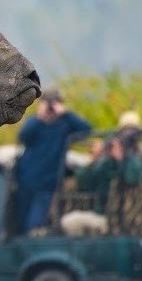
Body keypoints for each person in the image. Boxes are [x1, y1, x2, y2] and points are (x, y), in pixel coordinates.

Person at [15, 87, 91, 234]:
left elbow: (86, 130)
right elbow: (23, 137)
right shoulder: (35, 123)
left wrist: (66, 114)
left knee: (35, 225)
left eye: (53, 103)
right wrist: (39, 117)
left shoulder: (64, 124)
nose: (50, 107)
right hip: (26, 181)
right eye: (47, 103)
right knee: (21, 223)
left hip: (47, 184)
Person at [75, 136, 142, 214]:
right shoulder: (106, 163)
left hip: (128, 213)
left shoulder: (133, 161)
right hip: (103, 211)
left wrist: (120, 159)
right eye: (111, 147)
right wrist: (95, 158)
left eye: (118, 146)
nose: (113, 150)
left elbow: (131, 180)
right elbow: (83, 181)